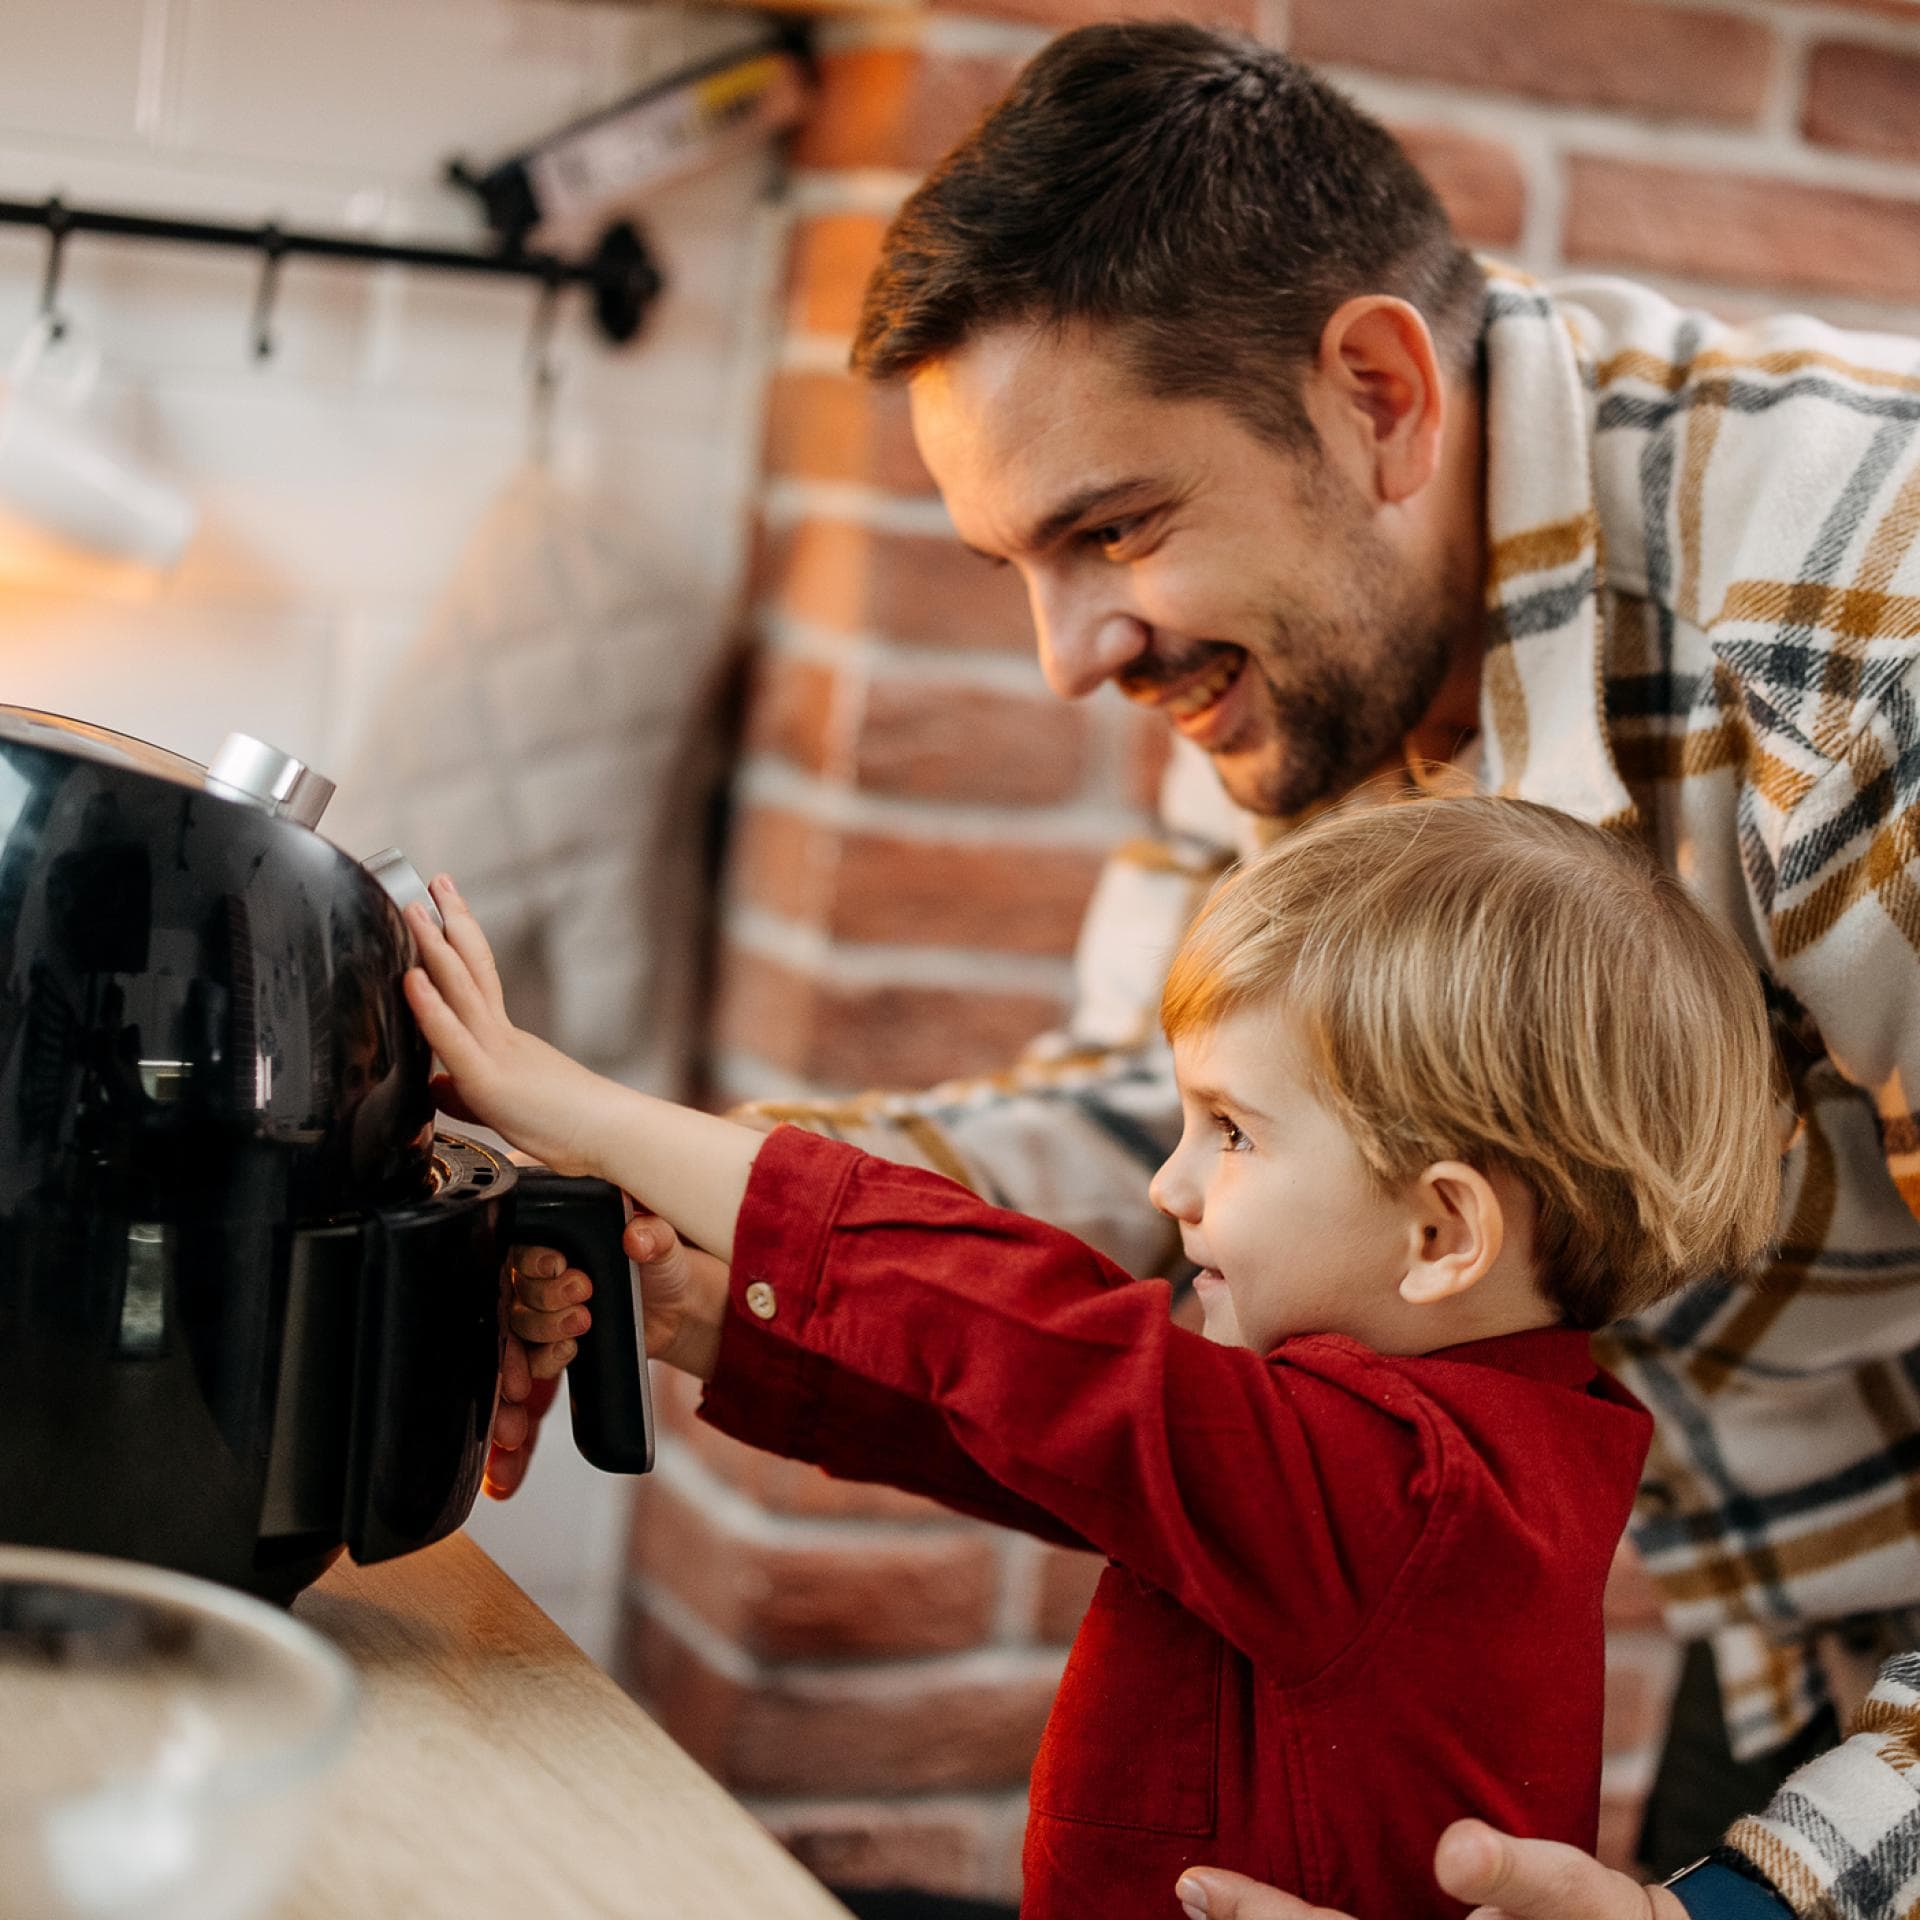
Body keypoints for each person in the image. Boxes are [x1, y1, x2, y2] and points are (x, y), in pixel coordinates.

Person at [493, 18, 1920, 1906]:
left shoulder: (1868, 663)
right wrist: (673, 1222)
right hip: (1798, 1626)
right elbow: (1135, 1131)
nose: (1068, 657)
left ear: (1379, 396)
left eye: (1114, 528)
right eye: (1019, 564)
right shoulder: (1302, 651)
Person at [405, 791, 1781, 1920]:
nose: (1171, 1188)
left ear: (1441, 1232)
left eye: (1232, 1132)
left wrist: (584, 1111)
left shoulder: (1415, 1495)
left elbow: (1043, 1351)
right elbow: (1033, 1434)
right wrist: (693, 1313)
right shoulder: (1424, 1449)